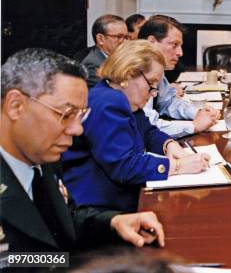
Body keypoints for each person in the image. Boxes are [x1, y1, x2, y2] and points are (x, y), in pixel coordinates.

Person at [0, 48, 165, 252]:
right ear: (16, 106)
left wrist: (113, 222)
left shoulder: (41, 157)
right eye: (67, 114)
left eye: (81, 116)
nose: (77, 129)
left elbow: (65, 218)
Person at [62, 41, 211, 212]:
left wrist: (169, 144)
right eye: (152, 83)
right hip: (100, 207)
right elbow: (124, 166)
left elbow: (147, 130)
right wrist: (178, 166)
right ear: (129, 73)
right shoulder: (108, 103)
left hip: (118, 196)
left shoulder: (119, 96)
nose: (154, 92)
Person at [139, 15, 219, 137]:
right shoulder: (134, 73)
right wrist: (194, 126)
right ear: (151, 42)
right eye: (174, 45)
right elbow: (147, 126)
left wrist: (197, 113)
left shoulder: (154, 69)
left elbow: (168, 102)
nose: (180, 53)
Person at [81, 15, 129, 87]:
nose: (125, 42)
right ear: (100, 39)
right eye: (119, 37)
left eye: (126, 37)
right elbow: (110, 93)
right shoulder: (92, 65)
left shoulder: (119, 60)